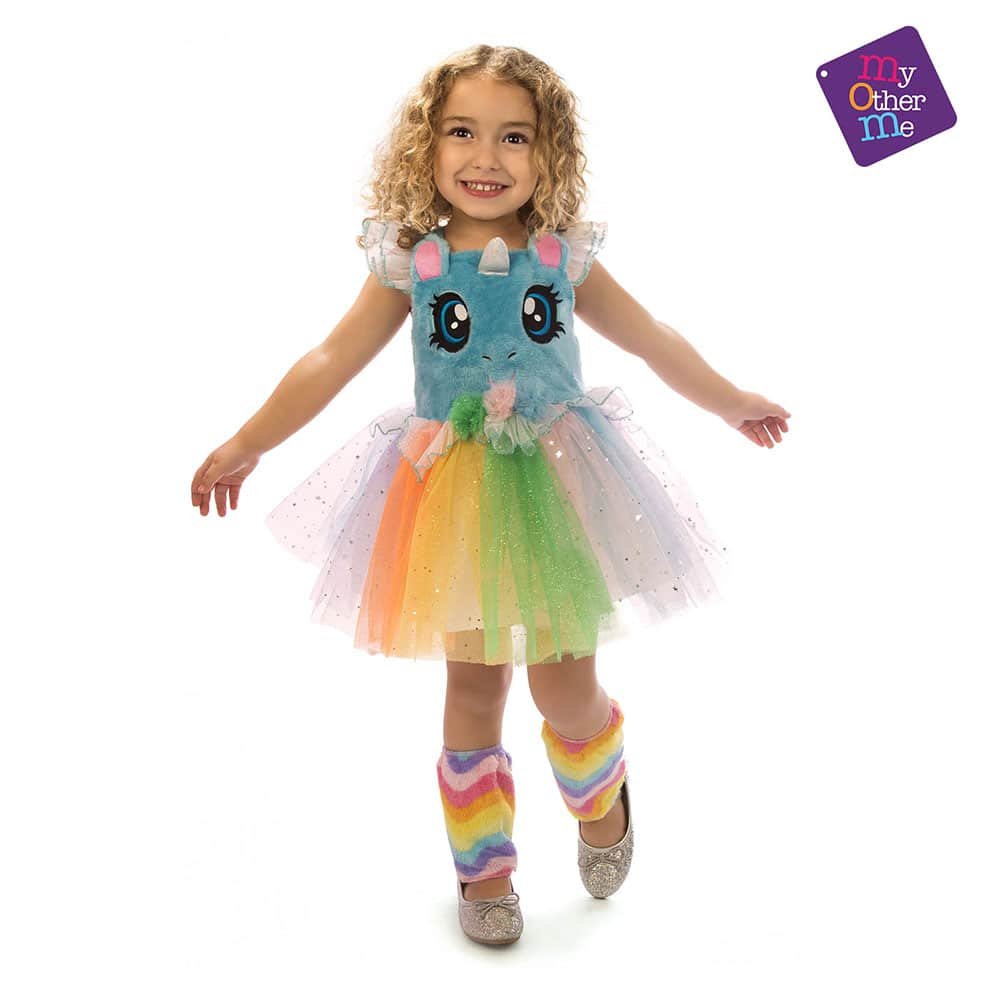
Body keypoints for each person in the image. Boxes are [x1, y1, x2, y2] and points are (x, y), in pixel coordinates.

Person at [190, 44, 791, 947]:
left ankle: (603, 792)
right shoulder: (414, 262)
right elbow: (330, 358)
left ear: (549, 153)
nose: (486, 157)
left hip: (556, 486)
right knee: (473, 684)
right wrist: (248, 442)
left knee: (565, 689)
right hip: (453, 495)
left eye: (515, 137)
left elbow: (652, 337)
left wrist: (732, 399)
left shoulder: (561, 258)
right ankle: (485, 870)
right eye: (461, 132)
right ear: (425, 146)